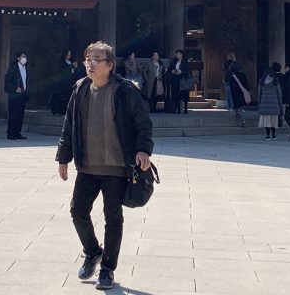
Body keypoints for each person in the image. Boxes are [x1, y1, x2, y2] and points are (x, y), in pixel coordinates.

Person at [56, 42, 153, 291]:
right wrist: (63, 157)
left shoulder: (125, 91)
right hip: (87, 166)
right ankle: (92, 251)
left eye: (97, 59)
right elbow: (69, 126)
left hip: (116, 168)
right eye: (88, 59)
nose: (90, 64)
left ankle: (107, 269)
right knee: (78, 211)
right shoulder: (80, 89)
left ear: (110, 65)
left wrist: (143, 149)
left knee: (113, 218)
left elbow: (143, 122)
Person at [4, 51, 30, 140]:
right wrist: (15, 88)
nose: (24, 58)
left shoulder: (25, 68)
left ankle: (17, 132)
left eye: (25, 56)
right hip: (14, 95)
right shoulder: (13, 68)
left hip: (22, 95)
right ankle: (10, 133)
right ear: (18, 58)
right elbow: (7, 81)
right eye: (22, 57)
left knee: (20, 115)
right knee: (13, 114)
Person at [223, 53, 251, 126]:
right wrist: (248, 90)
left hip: (234, 90)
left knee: (235, 103)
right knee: (240, 105)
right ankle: (242, 120)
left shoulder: (231, 73)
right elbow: (246, 84)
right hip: (241, 91)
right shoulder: (242, 74)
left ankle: (238, 116)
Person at [257, 63, 283, 141]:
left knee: (266, 120)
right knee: (274, 121)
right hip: (274, 104)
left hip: (264, 103)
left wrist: (259, 103)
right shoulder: (275, 81)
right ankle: (274, 134)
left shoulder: (261, 82)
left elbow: (259, 94)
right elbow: (279, 94)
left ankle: (267, 135)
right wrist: (280, 105)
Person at [53, 49, 78, 115]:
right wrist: (72, 66)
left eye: (70, 54)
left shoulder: (69, 62)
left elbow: (72, 71)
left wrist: (74, 67)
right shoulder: (62, 63)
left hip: (70, 81)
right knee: (63, 96)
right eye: (68, 54)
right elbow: (64, 70)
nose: (69, 56)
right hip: (64, 82)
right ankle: (61, 111)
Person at [167, 49, 191, 114]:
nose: (177, 55)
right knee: (176, 94)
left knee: (184, 94)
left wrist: (181, 72)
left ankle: (185, 108)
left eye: (178, 54)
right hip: (175, 79)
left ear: (181, 55)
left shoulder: (185, 62)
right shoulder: (174, 61)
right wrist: (172, 71)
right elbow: (170, 68)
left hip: (183, 80)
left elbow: (188, 71)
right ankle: (178, 109)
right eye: (176, 54)